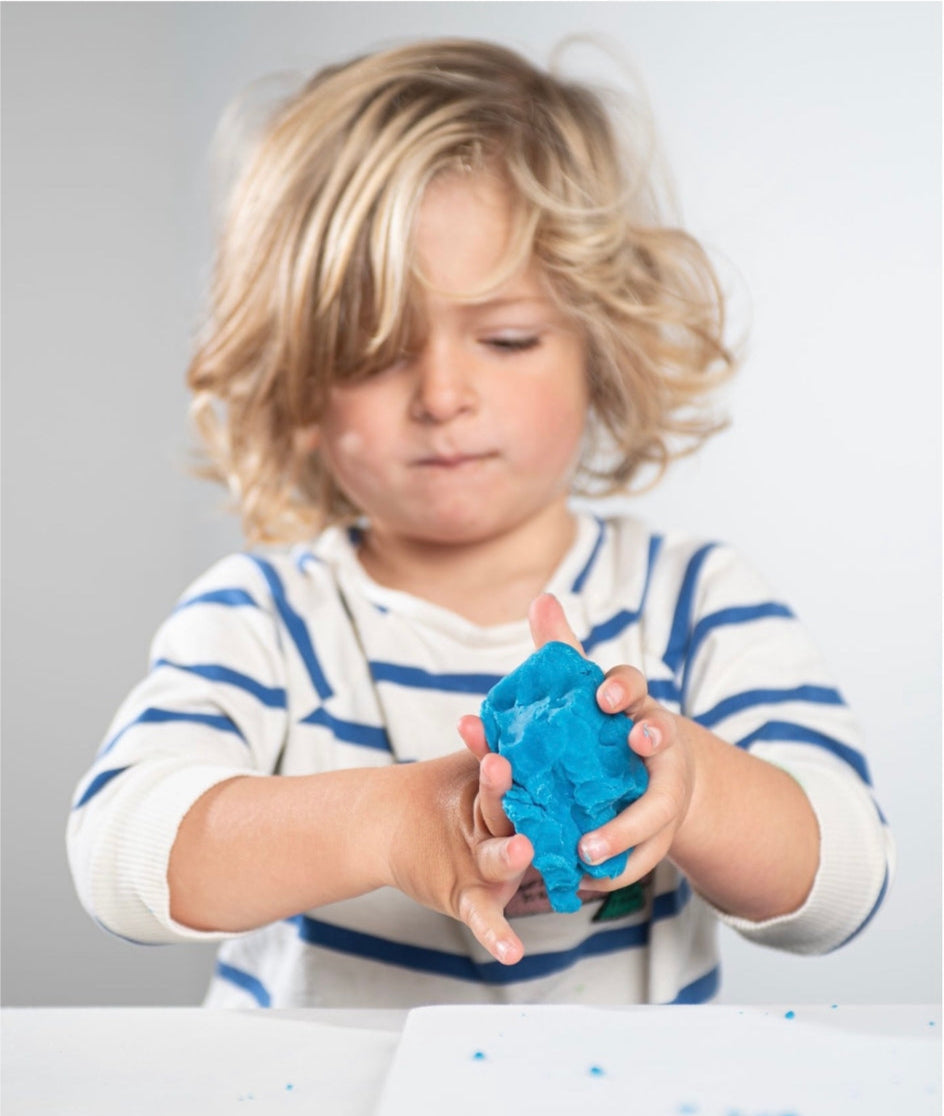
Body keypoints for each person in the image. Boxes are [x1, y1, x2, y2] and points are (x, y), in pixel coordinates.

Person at [67, 38, 893, 1008]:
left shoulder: (691, 604)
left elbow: (842, 879)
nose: (442, 395)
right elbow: (119, 850)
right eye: (377, 353)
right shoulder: (268, 619)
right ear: (295, 383)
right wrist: (390, 822)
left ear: (599, 346)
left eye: (504, 339)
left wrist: (693, 789)